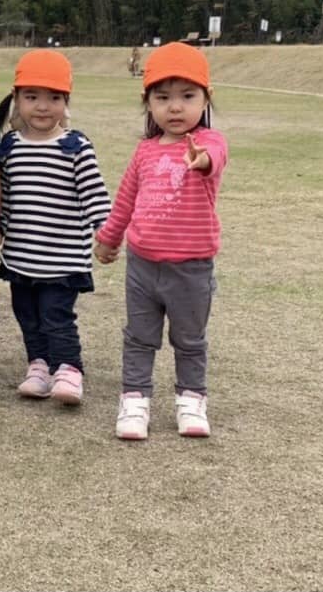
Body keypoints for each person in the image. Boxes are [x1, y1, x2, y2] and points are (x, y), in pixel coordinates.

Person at [94, 43, 227, 441]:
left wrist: (200, 159)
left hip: (191, 267)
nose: (175, 107)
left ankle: (191, 400)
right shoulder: (145, 152)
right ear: (147, 102)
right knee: (139, 337)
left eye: (187, 96)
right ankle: (135, 401)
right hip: (142, 265)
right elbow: (125, 202)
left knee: (189, 339)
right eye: (162, 97)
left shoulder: (210, 142)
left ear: (206, 98)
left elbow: (213, 159)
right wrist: (108, 239)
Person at [0, 50, 111, 406]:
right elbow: (5, 196)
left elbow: (95, 196)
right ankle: (39, 365)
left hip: (62, 257)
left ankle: (69, 369)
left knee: (57, 316)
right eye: (32, 97)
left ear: (66, 102)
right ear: (17, 100)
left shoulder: (75, 147)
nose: (42, 107)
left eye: (53, 98)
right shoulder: (9, 147)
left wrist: (105, 232)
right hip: (20, 256)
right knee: (26, 314)